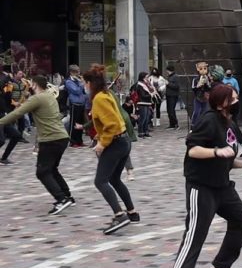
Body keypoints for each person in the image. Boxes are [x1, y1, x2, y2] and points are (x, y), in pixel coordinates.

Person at [170, 84, 242, 268]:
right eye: (232, 99)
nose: (236, 102)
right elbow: (193, 150)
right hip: (202, 187)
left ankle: (220, 267)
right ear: (220, 104)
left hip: (223, 187)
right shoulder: (208, 120)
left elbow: (225, 156)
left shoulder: (229, 123)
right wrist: (216, 151)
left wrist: (241, 164)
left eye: (236, 98)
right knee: (195, 236)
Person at [0, 76, 75, 214]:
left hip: (50, 139)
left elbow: (17, 113)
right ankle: (67, 196)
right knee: (52, 168)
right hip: (61, 137)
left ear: (34, 85)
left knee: (42, 172)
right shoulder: (49, 96)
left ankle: (61, 199)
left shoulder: (37, 98)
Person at [82, 64, 139, 235]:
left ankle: (119, 215)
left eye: (85, 83)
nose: (84, 86)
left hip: (115, 142)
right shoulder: (106, 94)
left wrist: (102, 143)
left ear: (90, 83)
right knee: (114, 179)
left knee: (100, 181)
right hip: (123, 141)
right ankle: (132, 212)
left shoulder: (99, 98)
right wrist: (100, 136)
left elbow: (112, 124)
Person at [65, 65, 87, 147]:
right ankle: (73, 141)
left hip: (81, 104)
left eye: (79, 71)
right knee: (74, 123)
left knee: (80, 123)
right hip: (74, 104)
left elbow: (83, 92)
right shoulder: (69, 82)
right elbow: (76, 91)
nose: (79, 73)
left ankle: (79, 141)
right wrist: (82, 83)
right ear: (71, 72)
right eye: (77, 72)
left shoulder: (78, 80)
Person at [133, 72, 157, 139]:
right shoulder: (140, 85)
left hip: (147, 103)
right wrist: (152, 94)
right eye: (146, 77)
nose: (147, 78)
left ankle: (146, 132)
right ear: (143, 77)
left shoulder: (146, 84)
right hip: (141, 103)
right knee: (142, 119)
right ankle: (141, 133)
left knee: (147, 118)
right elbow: (142, 95)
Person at [165, 65, 180, 130]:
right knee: (168, 110)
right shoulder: (169, 76)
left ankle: (175, 124)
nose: (166, 72)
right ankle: (171, 124)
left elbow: (176, 86)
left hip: (173, 95)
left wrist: (168, 83)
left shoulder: (175, 77)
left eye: (167, 70)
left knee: (171, 110)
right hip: (168, 95)